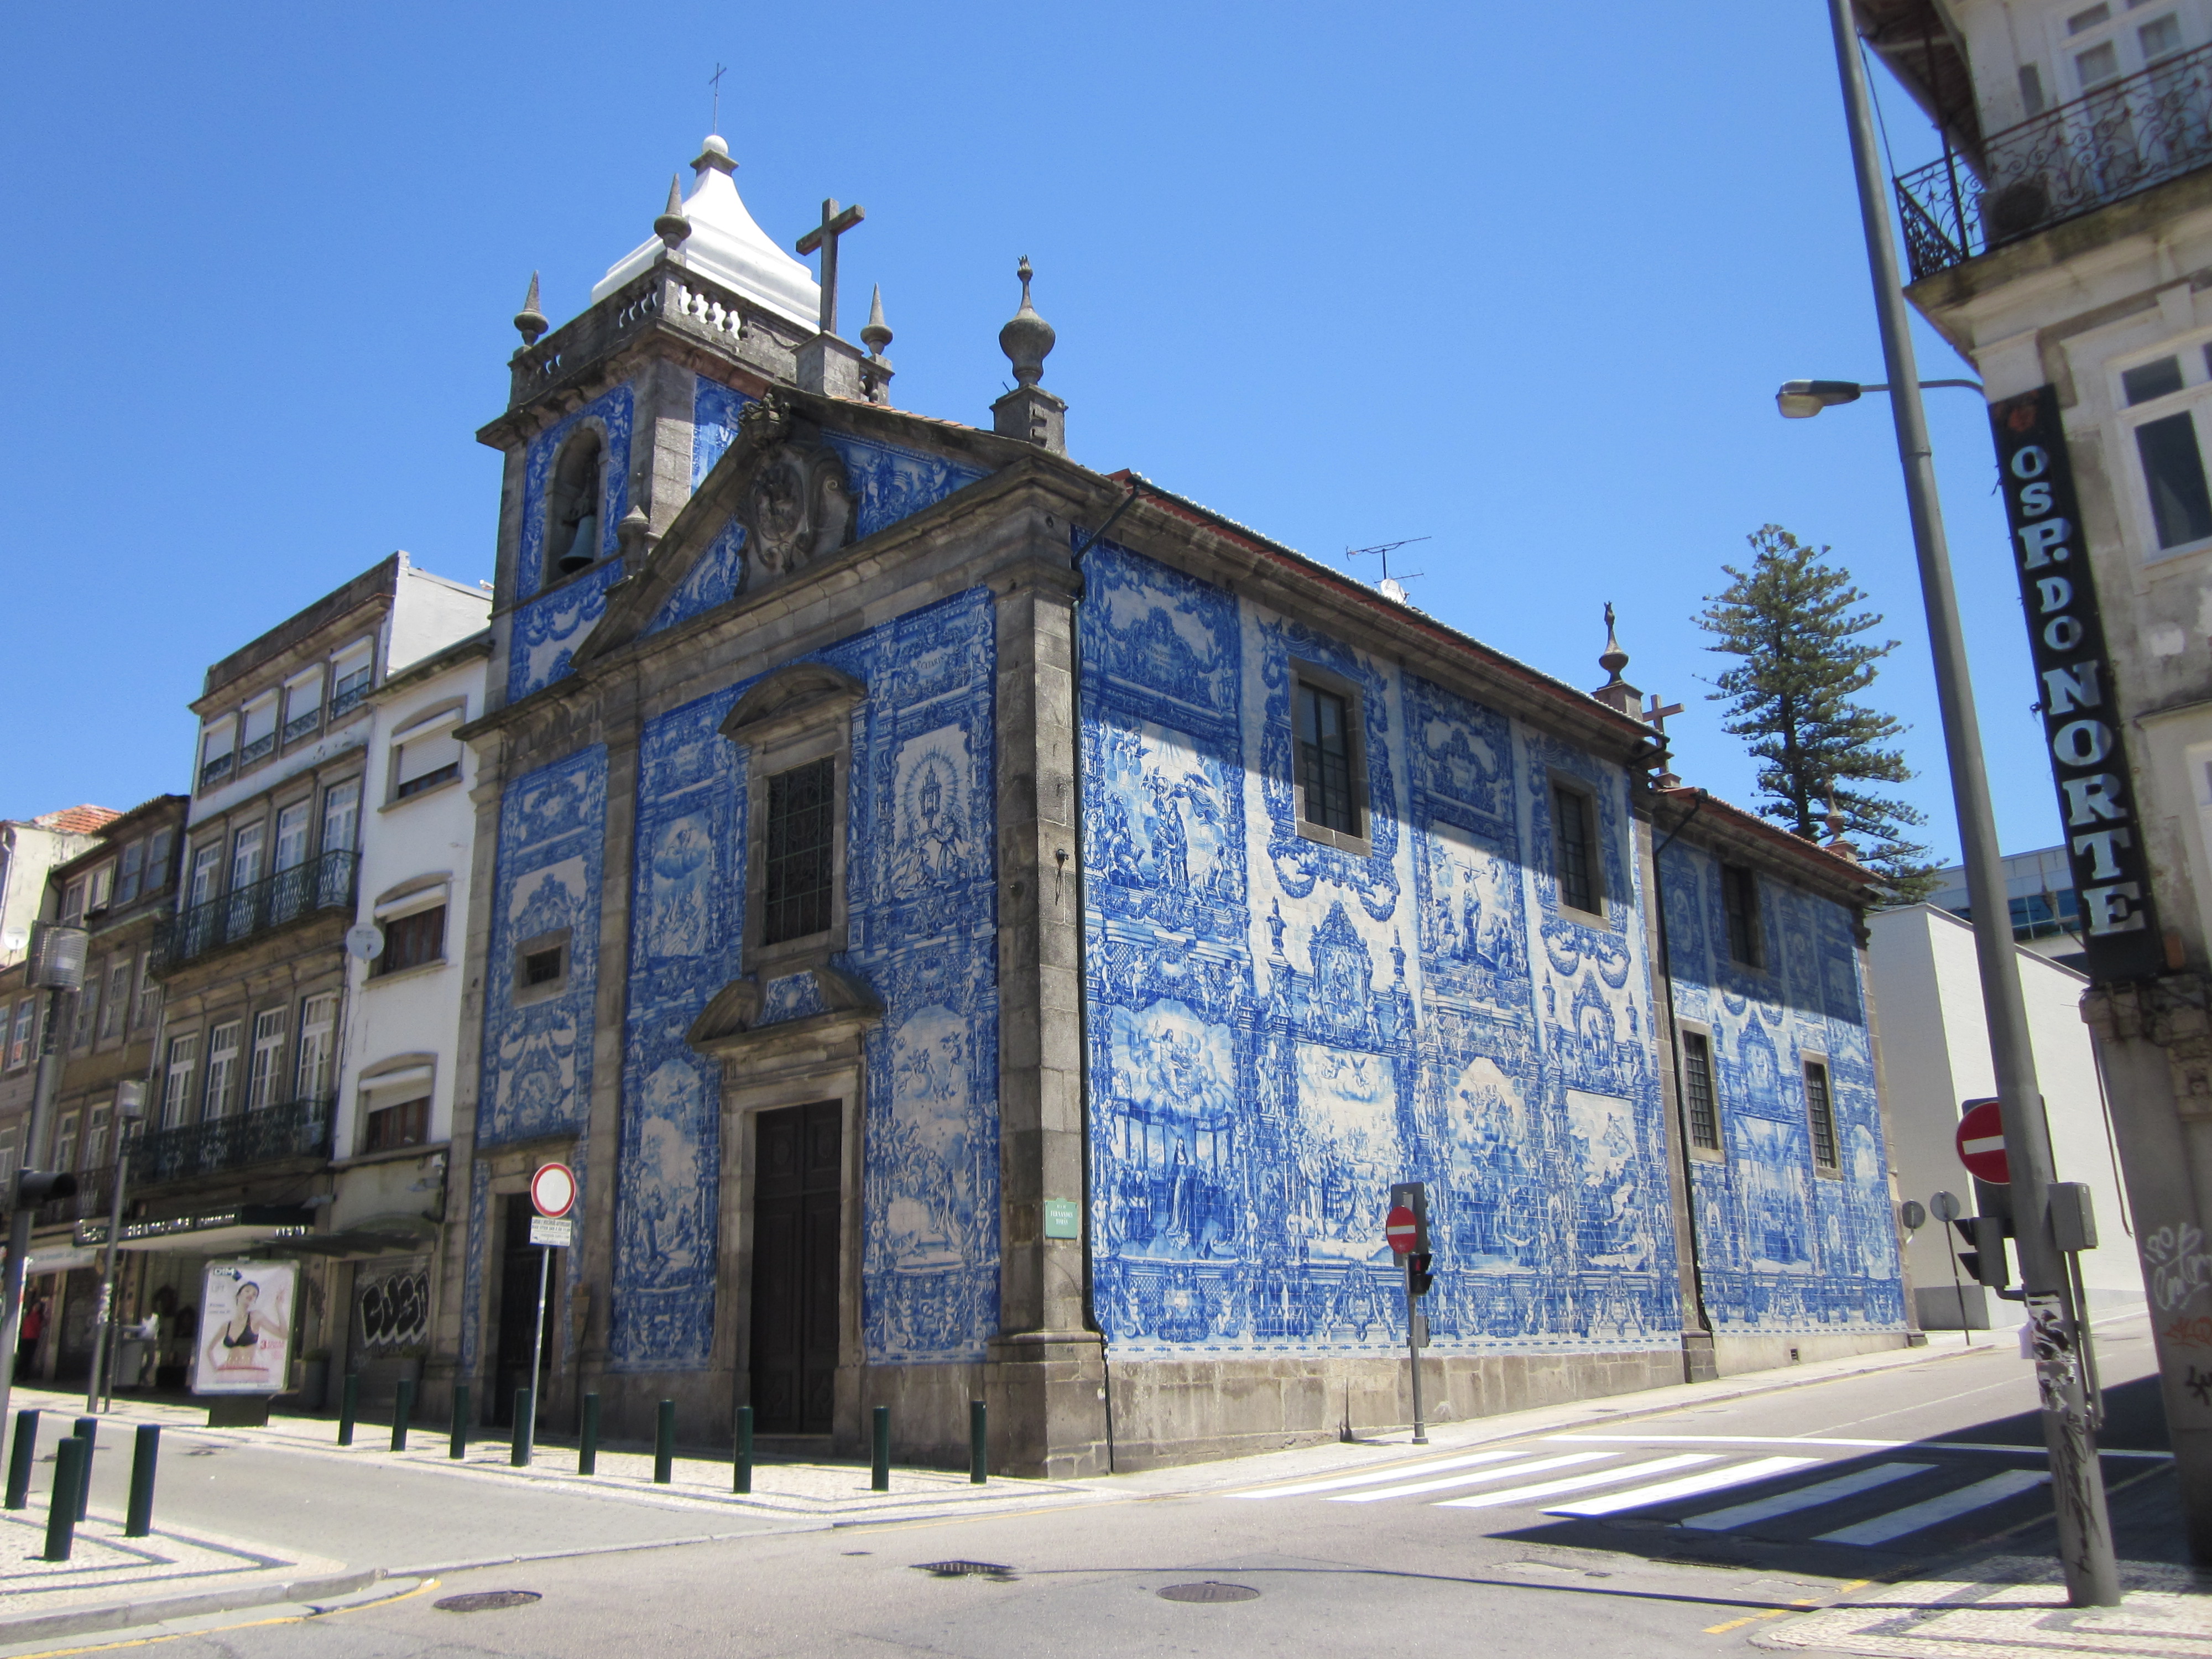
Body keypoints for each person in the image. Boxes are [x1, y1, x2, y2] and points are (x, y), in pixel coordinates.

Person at [205, 1280, 284, 1373]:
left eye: (254, 1294)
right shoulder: (226, 1326)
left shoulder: (256, 1317)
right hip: (228, 1371)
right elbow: (210, 1349)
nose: (251, 1294)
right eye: (247, 1291)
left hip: (248, 1371)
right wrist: (216, 1369)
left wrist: (278, 1307)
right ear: (238, 1295)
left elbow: (283, 1334)